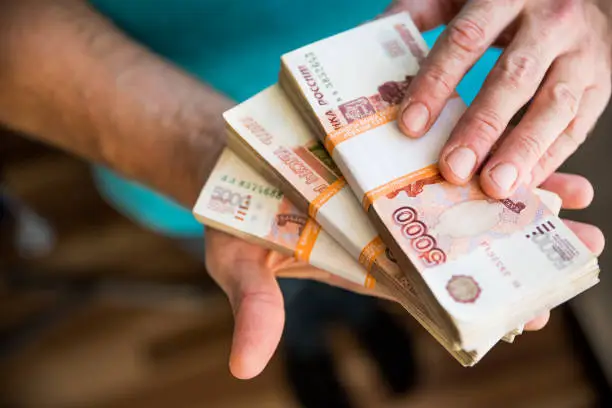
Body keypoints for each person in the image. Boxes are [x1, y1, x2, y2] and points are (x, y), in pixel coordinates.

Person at [0, 1, 607, 396]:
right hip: (170, 143)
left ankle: (359, 321)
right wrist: (201, 153)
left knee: (381, 278)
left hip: (451, 125)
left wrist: (597, 16)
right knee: (290, 281)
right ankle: (309, 345)